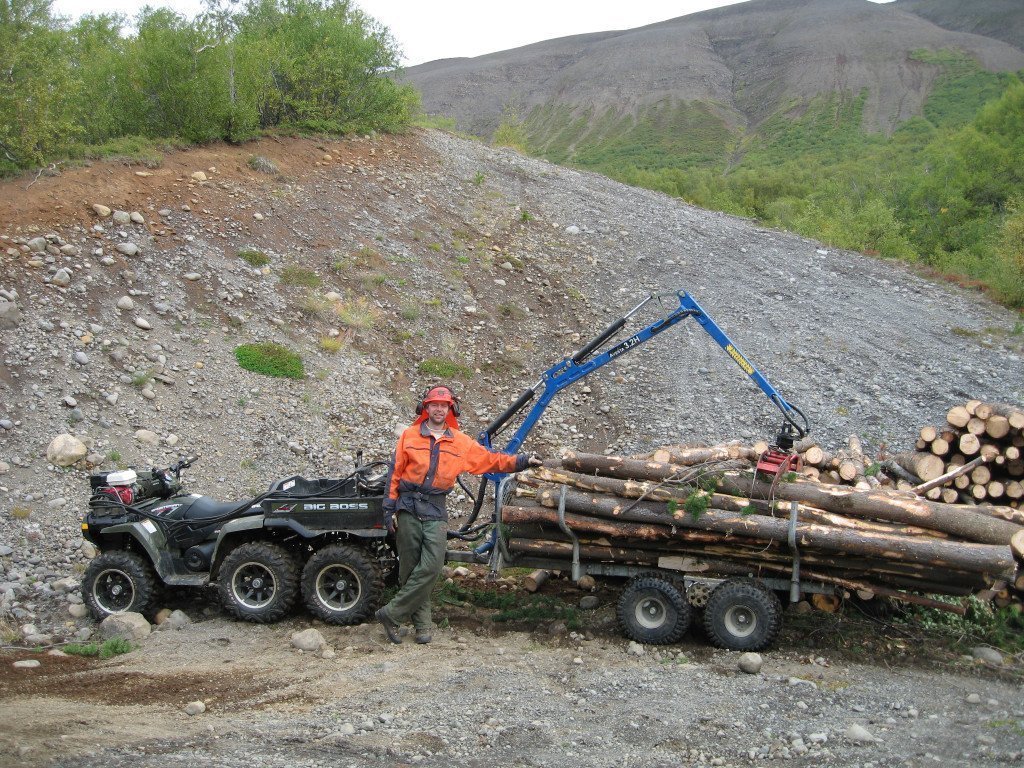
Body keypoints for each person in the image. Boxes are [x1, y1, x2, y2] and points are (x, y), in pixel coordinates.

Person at [375, 384, 542, 644]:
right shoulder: (409, 436)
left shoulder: (460, 442)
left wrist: (522, 461)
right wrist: (389, 510)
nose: (439, 409)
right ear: (426, 408)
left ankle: (391, 614)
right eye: (434, 404)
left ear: (450, 409)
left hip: (435, 508)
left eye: (444, 405)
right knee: (409, 569)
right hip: (407, 507)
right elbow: (394, 474)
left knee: (431, 566)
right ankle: (422, 626)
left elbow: (491, 460)